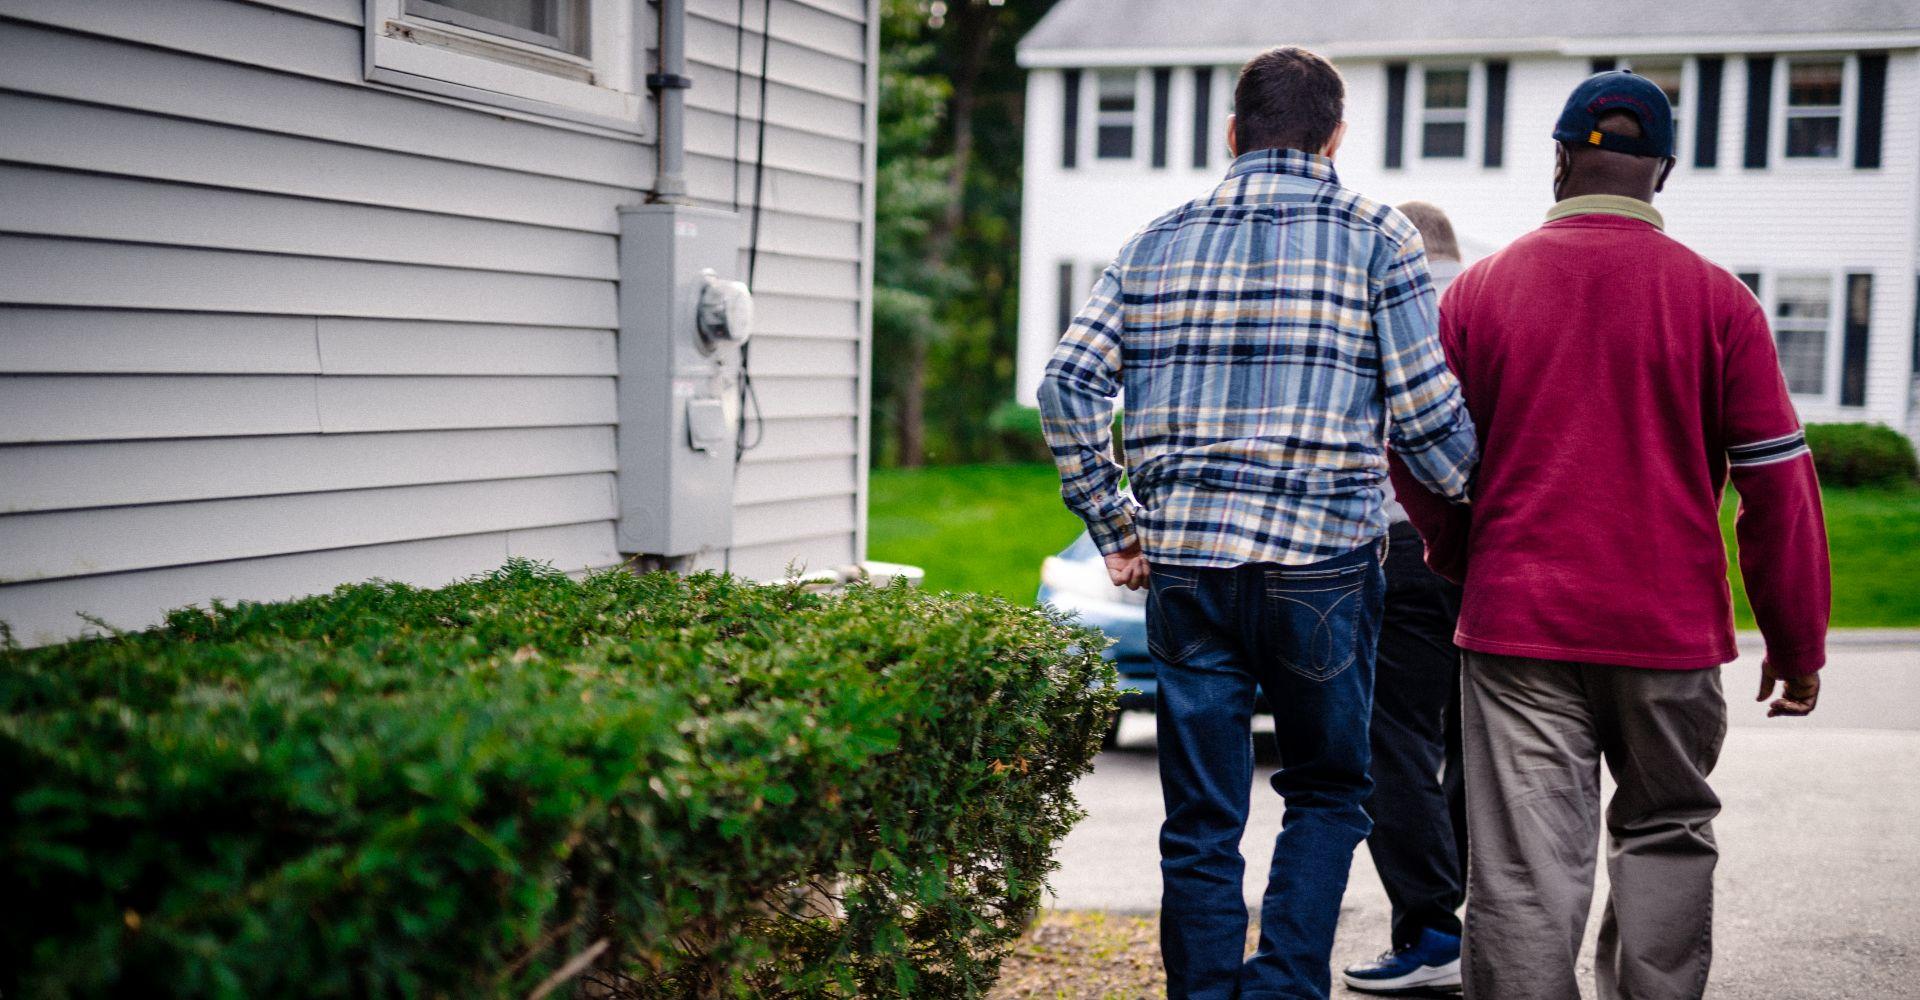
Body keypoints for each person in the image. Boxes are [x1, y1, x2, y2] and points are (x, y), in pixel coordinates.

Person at [1037, 46, 1477, 1000]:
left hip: (1186, 569)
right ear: (1336, 137)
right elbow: (1430, 419)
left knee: (1199, 816)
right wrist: (1477, 511)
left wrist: (1116, 526)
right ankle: (1281, 987)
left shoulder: (1156, 240)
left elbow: (1067, 386)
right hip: (1321, 566)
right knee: (1325, 791)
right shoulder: (1380, 238)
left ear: (1232, 133)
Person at [1391, 71, 1830, 1000]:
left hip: (1518, 625)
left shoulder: (1477, 295)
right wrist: (1796, 645)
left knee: (1519, 869)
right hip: (1667, 633)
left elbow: (1416, 447)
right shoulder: (1722, 305)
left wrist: (1459, 553)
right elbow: (1777, 487)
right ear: (1661, 171)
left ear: (1558, 159)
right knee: (1666, 833)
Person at [1339, 201, 1470, 997]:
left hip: (1409, 546)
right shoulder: (1498, 302)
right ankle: (1455, 920)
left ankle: (1429, 929)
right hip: (1495, 550)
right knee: (1478, 741)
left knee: (1393, 740)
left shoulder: (1392, 304)